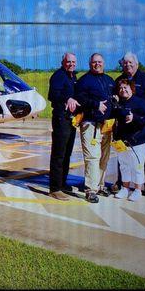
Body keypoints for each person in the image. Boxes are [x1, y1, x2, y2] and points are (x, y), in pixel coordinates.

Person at [113, 52, 145, 196]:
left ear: (136, 64)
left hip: (143, 125)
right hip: (124, 126)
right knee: (124, 158)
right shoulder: (119, 80)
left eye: (130, 63)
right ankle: (123, 184)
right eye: (125, 63)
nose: (128, 65)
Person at [74, 53, 115, 203]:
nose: (97, 64)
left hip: (107, 125)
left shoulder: (110, 80)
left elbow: (116, 98)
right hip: (91, 124)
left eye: (99, 62)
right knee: (92, 157)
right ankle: (90, 189)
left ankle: (100, 184)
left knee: (104, 157)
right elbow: (79, 99)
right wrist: (96, 104)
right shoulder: (84, 81)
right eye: (94, 62)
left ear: (103, 63)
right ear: (90, 64)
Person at [112, 79, 145, 201]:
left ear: (132, 89)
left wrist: (134, 117)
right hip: (123, 140)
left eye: (126, 88)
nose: (123, 90)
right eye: (121, 88)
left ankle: (138, 190)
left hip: (139, 140)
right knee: (124, 165)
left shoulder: (140, 102)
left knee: (137, 165)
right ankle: (125, 188)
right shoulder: (119, 103)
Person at [48, 53, 80, 201]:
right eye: (68, 62)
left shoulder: (73, 76)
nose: (71, 64)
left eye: (73, 62)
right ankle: (54, 188)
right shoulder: (59, 76)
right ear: (63, 62)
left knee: (67, 153)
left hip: (71, 120)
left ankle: (62, 183)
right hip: (61, 119)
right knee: (59, 154)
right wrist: (67, 98)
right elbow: (52, 95)